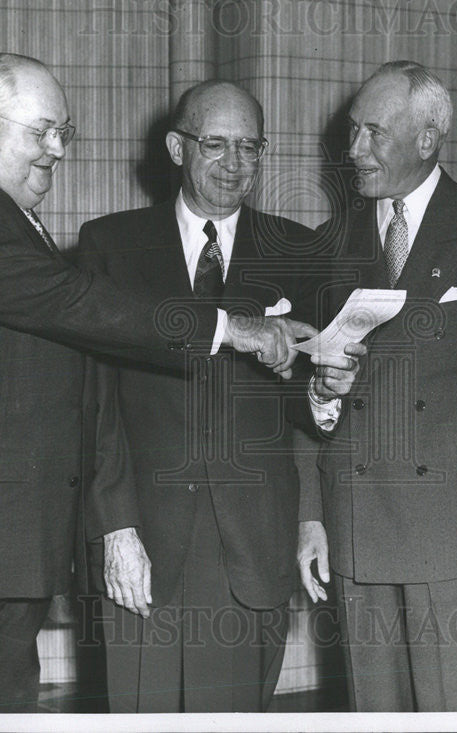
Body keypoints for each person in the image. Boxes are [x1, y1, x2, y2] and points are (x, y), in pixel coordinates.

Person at [0, 54, 314, 713]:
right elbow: (71, 302)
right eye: (40, 131)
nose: (56, 150)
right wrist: (228, 328)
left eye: (64, 131)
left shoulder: (6, 219)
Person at [77, 79, 331, 712]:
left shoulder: (300, 250)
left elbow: (309, 403)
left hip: (255, 540)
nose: (234, 163)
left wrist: (310, 516)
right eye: (215, 144)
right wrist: (115, 528)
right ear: (175, 147)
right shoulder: (111, 245)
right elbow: (94, 401)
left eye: (249, 146)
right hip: (144, 542)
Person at [297, 61, 457, 711]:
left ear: (427, 139)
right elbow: (300, 395)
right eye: (352, 132)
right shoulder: (331, 243)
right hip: (356, 525)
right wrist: (310, 513)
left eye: (373, 132)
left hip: (455, 534)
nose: (353, 151)